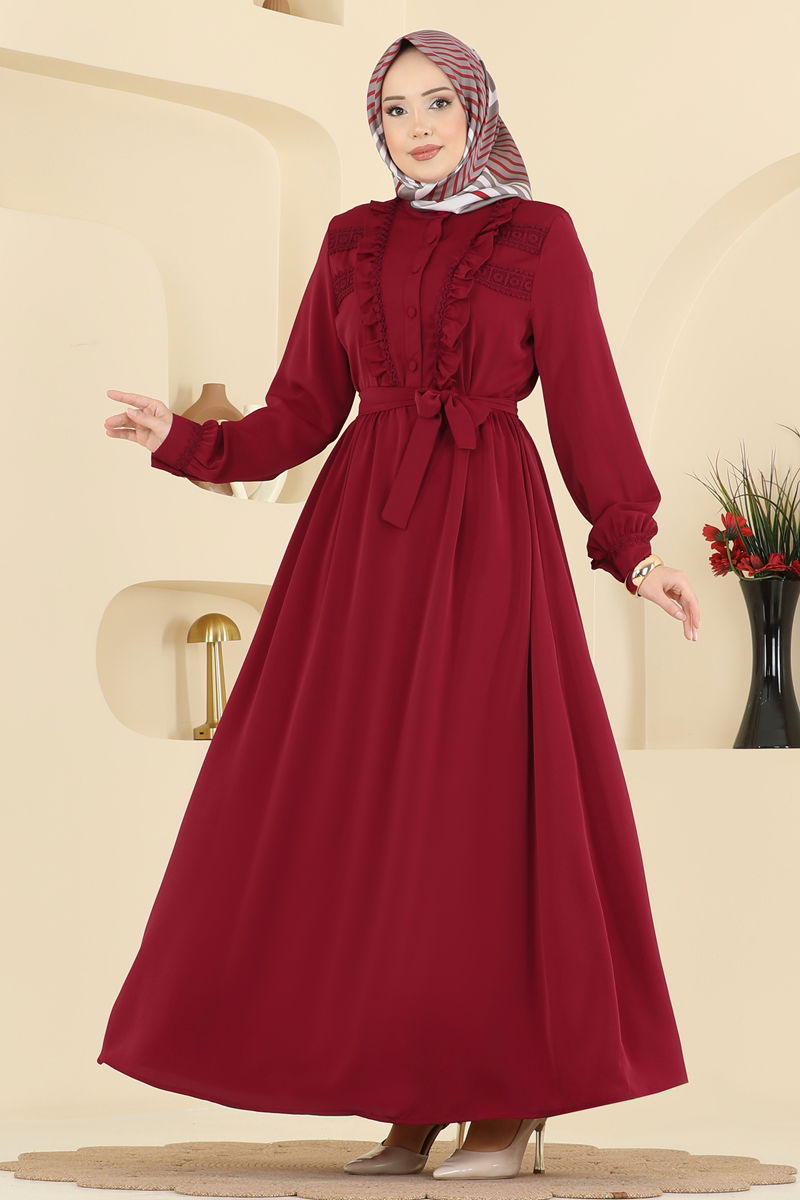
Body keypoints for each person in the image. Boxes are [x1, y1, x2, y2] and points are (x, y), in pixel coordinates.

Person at [98, 28, 698, 1183]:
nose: (415, 126)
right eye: (392, 109)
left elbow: (585, 402)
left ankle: (508, 1104)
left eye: (436, 103)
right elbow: (297, 413)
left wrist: (633, 550)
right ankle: (411, 1095)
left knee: (475, 807)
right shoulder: (348, 243)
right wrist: (182, 439)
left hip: (486, 541)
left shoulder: (537, 237)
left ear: (477, 109)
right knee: (365, 813)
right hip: (359, 553)